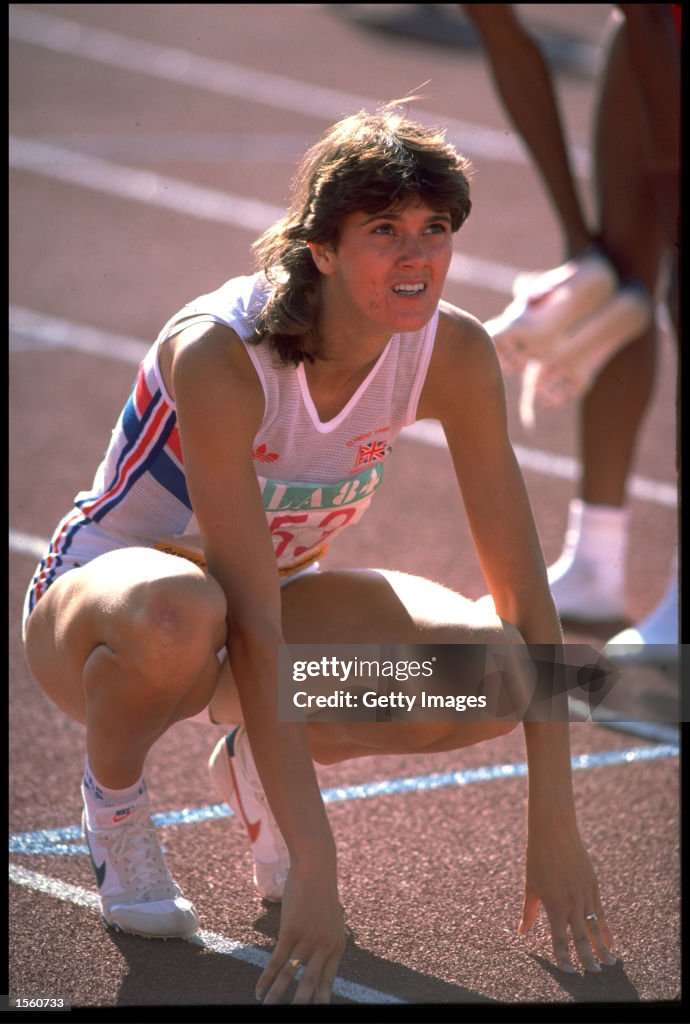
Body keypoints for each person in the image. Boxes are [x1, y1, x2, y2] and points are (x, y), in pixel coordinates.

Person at [22, 102, 616, 1005]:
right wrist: (316, 862)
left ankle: (255, 762)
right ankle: (115, 800)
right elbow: (248, 618)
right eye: (385, 231)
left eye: (435, 230)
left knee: (499, 672)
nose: (417, 256)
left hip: (264, 618)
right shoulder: (226, 353)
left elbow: (524, 593)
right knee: (189, 614)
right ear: (322, 250)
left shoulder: (450, 352)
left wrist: (557, 822)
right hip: (115, 615)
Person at [462, 4, 680, 661]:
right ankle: (596, 562)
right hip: (650, 25)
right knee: (618, 272)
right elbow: (497, 27)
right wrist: (580, 247)